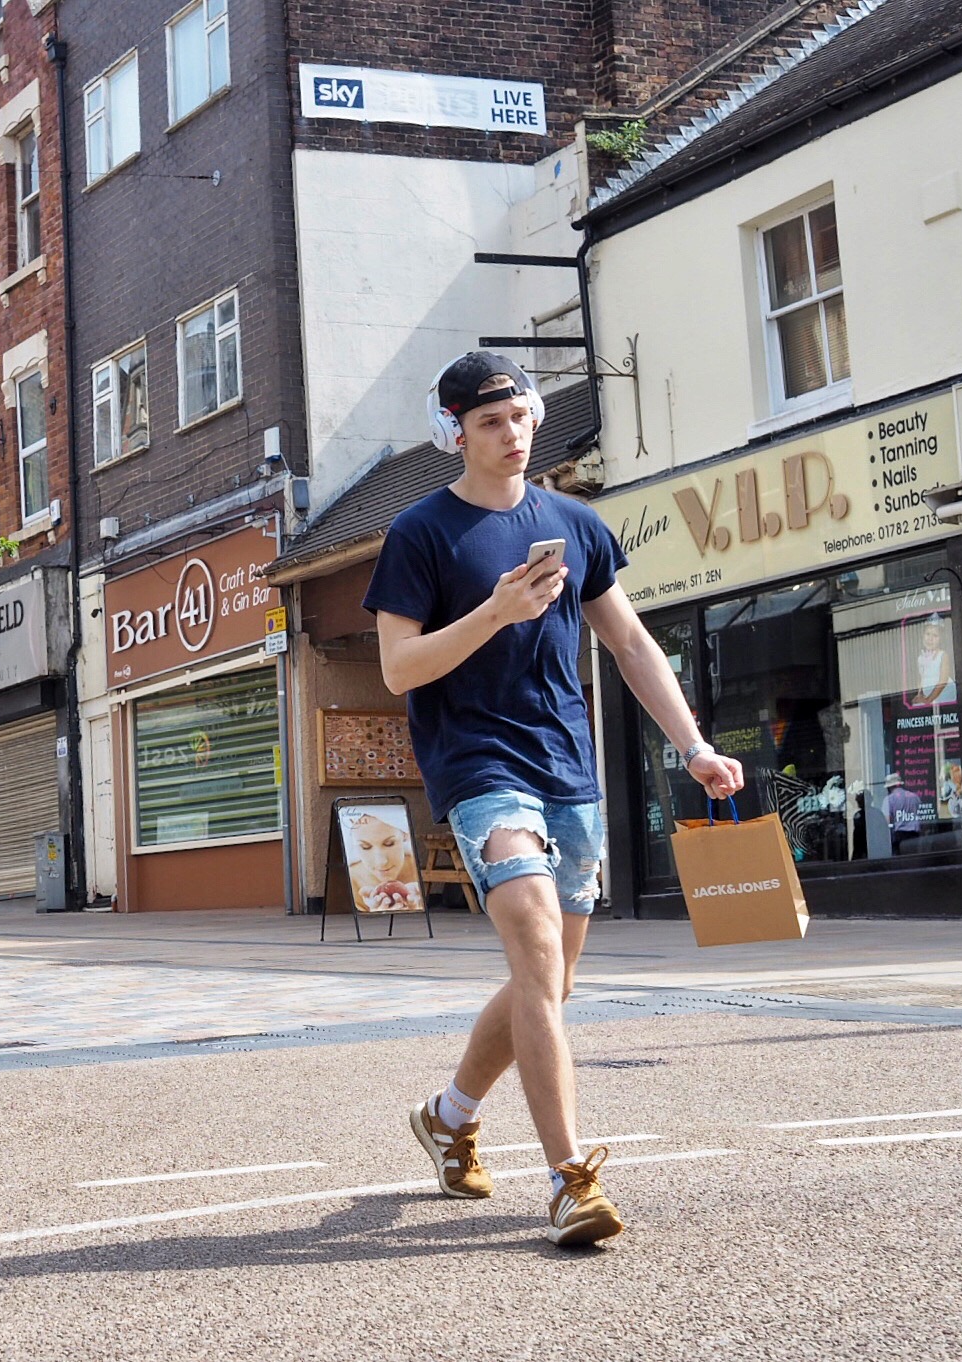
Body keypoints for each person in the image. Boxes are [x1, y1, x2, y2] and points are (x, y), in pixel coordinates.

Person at [365, 353, 745, 1246]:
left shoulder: (575, 524)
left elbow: (631, 644)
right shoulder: (420, 533)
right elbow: (398, 668)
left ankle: (449, 1116)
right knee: (537, 953)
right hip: (478, 767)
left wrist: (693, 746)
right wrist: (496, 612)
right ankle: (571, 1180)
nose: (511, 434)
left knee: (553, 979)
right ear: (454, 432)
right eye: (489, 422)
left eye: (520, 417)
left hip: (567, 769)